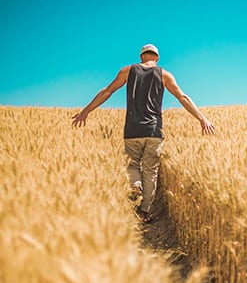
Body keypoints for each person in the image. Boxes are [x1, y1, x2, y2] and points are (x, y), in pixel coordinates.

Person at [72, 44, 214, 223]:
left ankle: (135, 185)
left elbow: (107, 91)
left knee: (132, 166)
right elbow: (182, 98)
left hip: (132, 130)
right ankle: (144, 211)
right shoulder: (165, 74)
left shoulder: (127, 71)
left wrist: (86, 111)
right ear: (157, 58)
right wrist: (202, 119)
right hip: (154, 131)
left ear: (141, 57)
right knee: (150, 172)